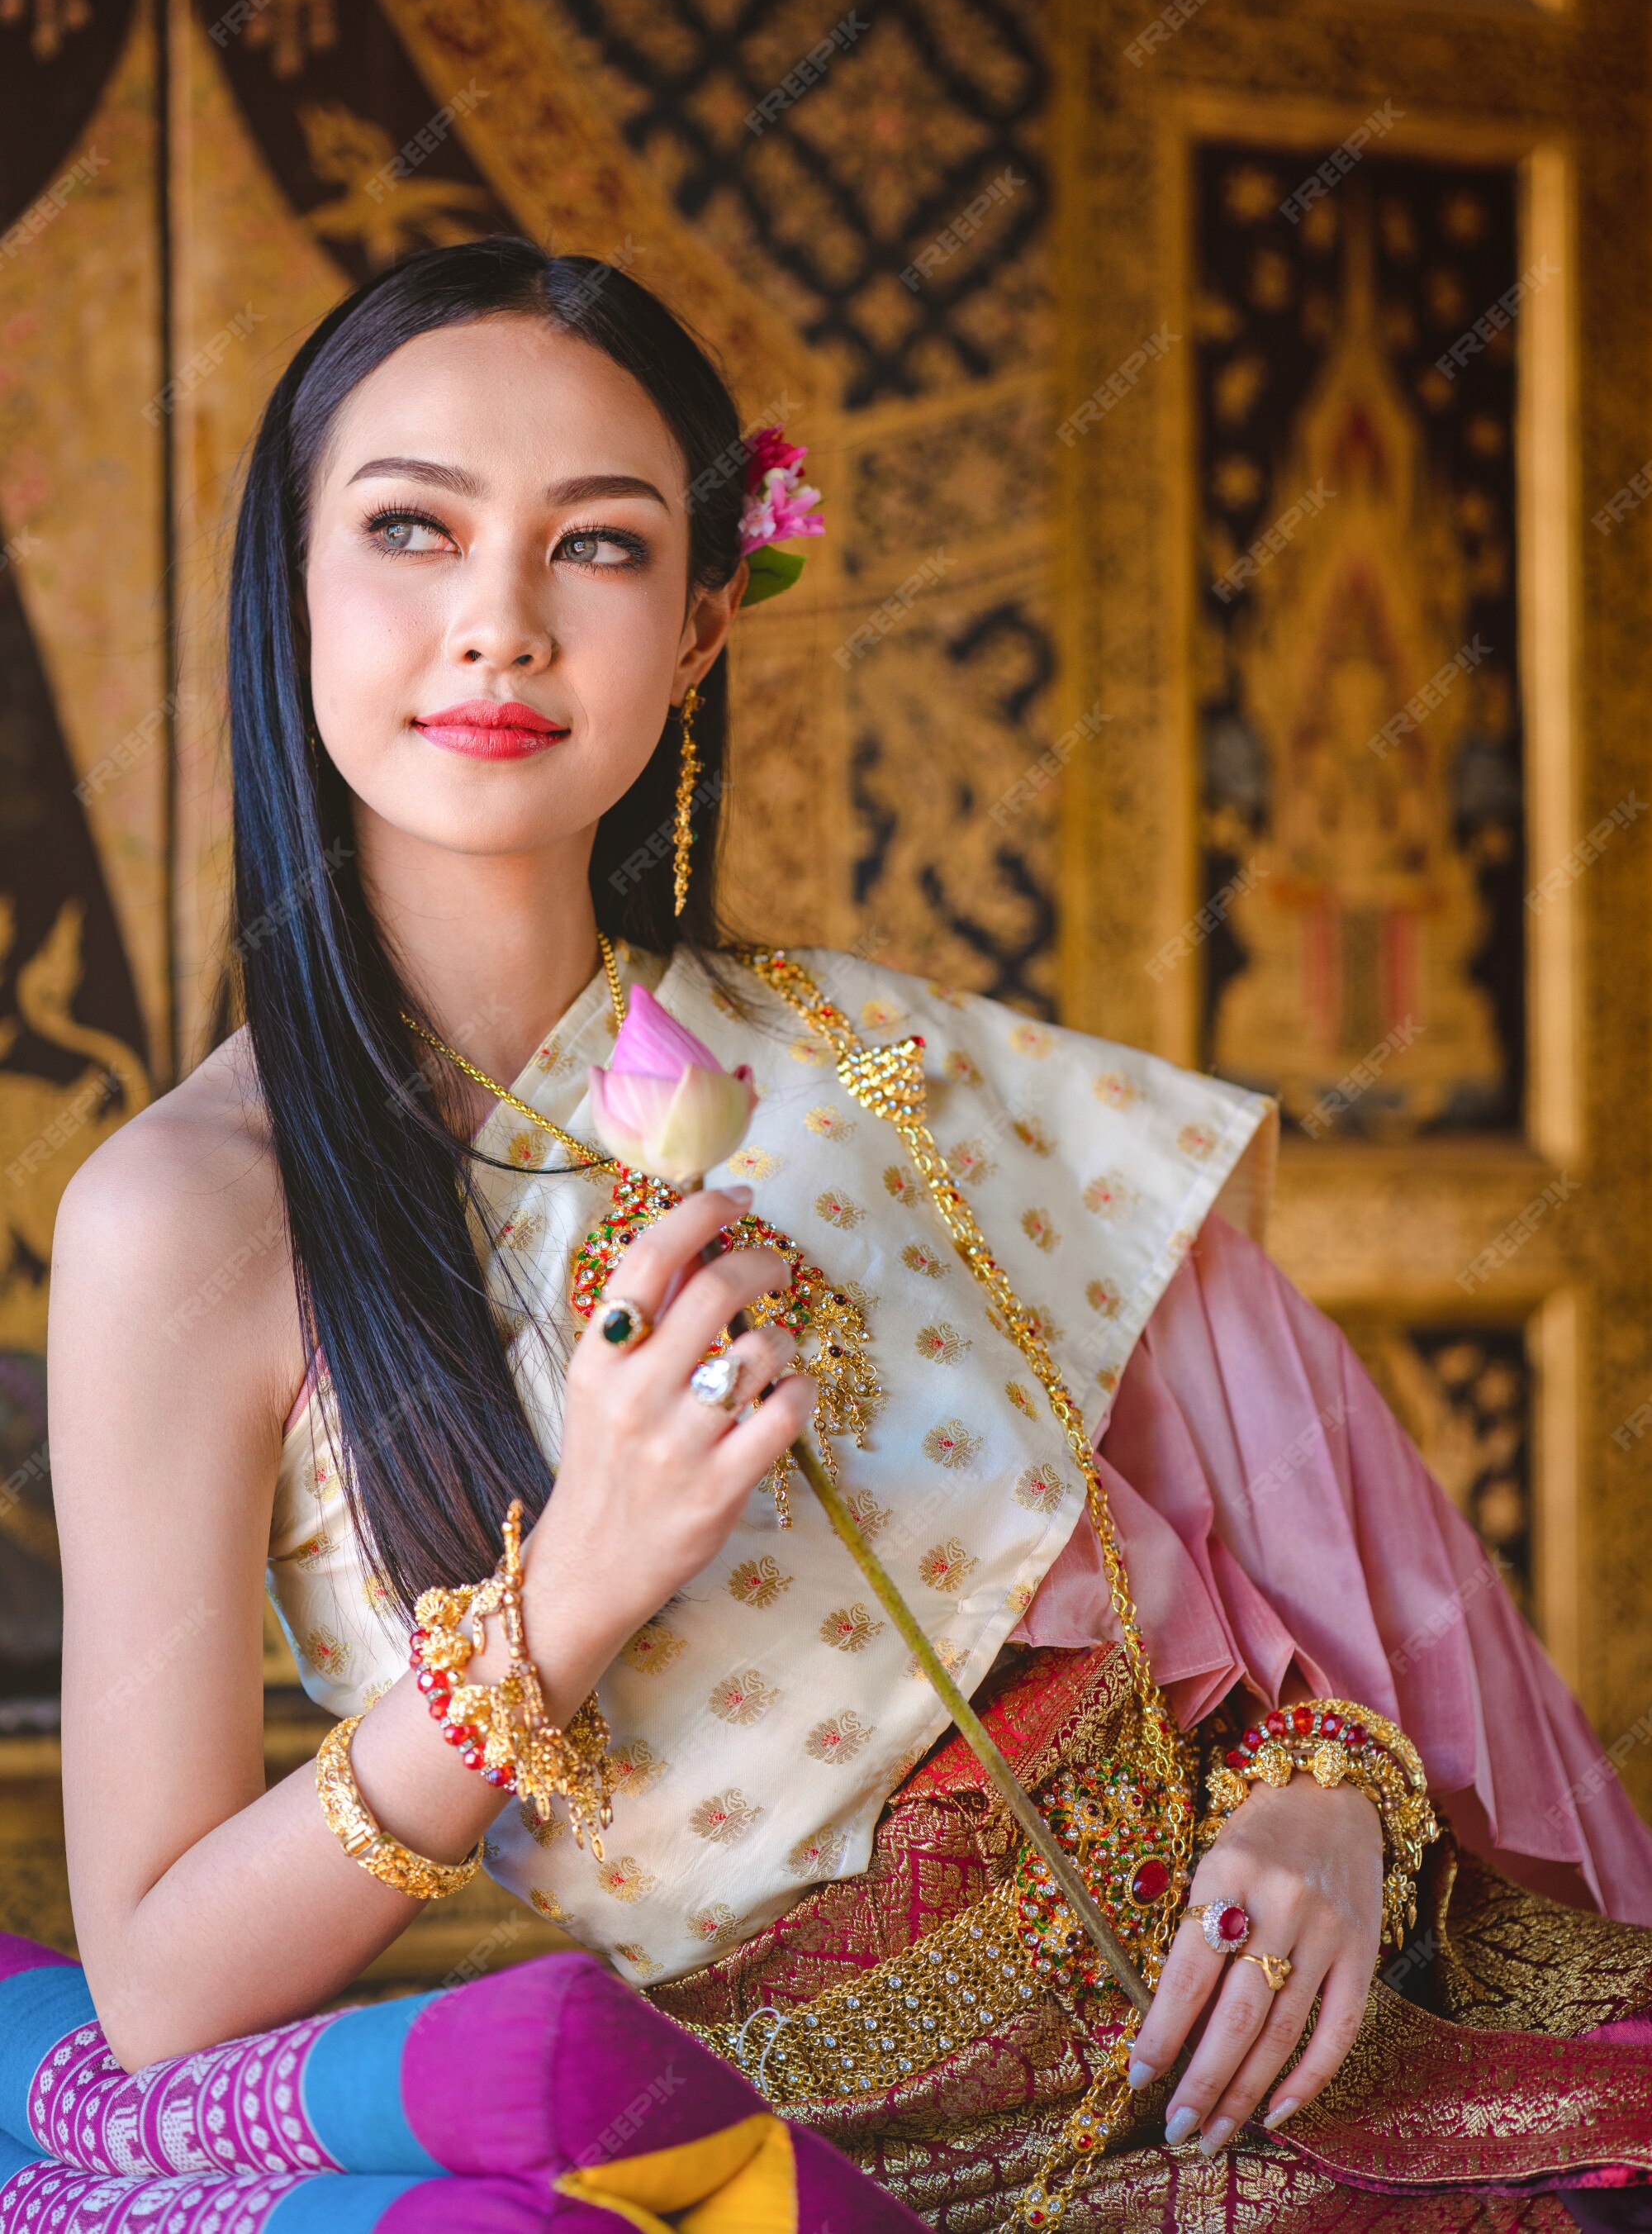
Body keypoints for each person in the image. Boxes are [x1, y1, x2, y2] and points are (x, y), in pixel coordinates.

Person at [40, 240, 1652, 2232]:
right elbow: (163, 1977)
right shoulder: (190, 1216)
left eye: (599, 549)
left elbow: (1218, 1615)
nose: (499, 624)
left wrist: (1327, 1801)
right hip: (889, 2170)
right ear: (285, 590)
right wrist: (579, 1585)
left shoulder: (876, 1063)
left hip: (1338, 2027)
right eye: (409, 529)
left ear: (706, 623)